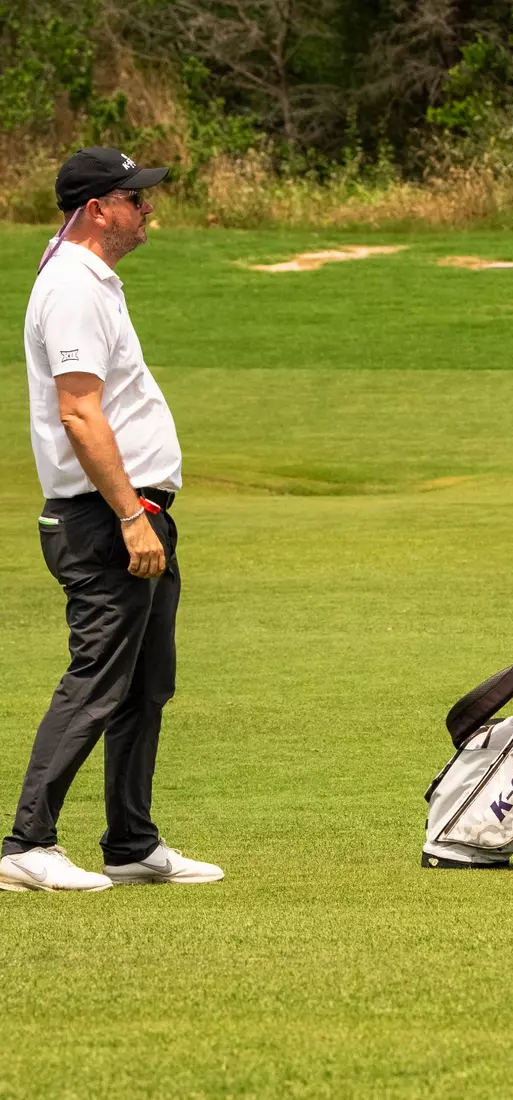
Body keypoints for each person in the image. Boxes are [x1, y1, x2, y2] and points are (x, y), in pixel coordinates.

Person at [0, 147, 223, 893]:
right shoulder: (70, 285)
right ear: (98, 209)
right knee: (98, 678)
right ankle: (27, 843)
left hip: (136, 512)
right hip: (104, 519)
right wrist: (130, 515)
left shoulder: (91, 276)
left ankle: (131, 842)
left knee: (145, 684)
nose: (147, 205)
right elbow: (78, 410)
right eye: (134, 196)